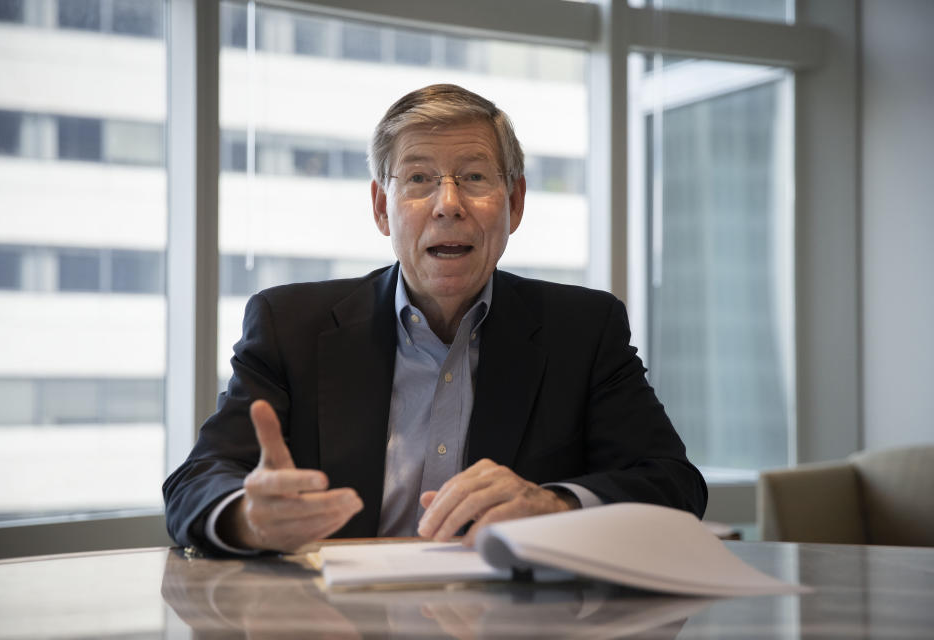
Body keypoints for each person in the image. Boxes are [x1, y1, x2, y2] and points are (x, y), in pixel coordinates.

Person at [163, 84, 707, 555]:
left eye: (473, 177)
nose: (448, 204)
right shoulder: (291, 325)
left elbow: (673, 486)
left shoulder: (583, 330)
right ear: (382, 207)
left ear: (514, 203)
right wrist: (248, 517)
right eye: (419, 179)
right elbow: (195, 484)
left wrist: (554, 504)